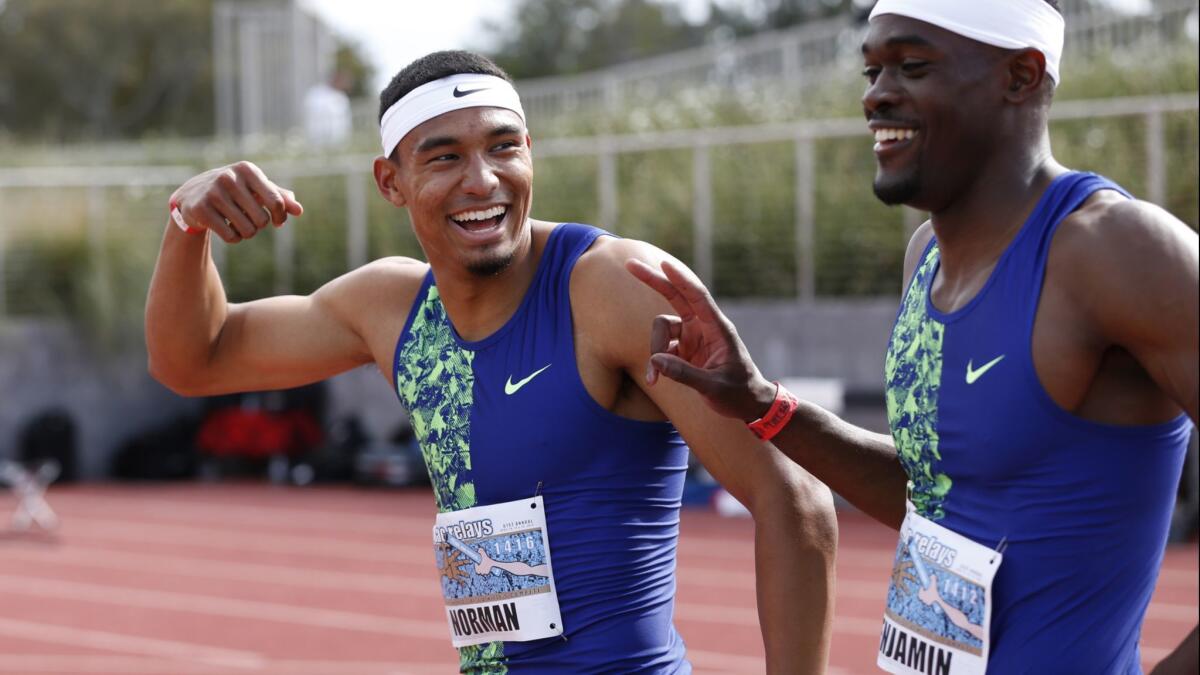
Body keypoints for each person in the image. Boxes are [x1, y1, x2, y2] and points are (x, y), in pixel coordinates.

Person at [144, 51, 836, 673]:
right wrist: (187, 224)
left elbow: (795, 498)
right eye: (444, 157)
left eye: (503, 148)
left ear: (530, 150)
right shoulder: (392, 309)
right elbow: (193, 361)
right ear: (391, 181)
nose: (483, 180)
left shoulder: (611, 288)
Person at [627, 1, 1199, 673]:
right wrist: (761, 403)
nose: (876, 95)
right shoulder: (925, 255)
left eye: (913, 66)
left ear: (1020, 76)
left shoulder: (1118, 249)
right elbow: (936, 501)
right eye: (872, 70)